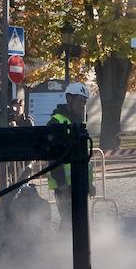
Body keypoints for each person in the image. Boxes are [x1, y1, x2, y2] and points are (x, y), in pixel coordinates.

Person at [46, 81, 93, 224]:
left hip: (79, 183)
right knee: (69, 223)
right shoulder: (57, 122)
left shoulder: (78, 123)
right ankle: (62, 246)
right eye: (80, 101)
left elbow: (83, 157)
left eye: (84, 102)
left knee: (80, 223)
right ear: (69, 99)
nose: (82, 105)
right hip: (64, 186)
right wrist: (62, 184)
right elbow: (54, 157)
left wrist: (88, 183)